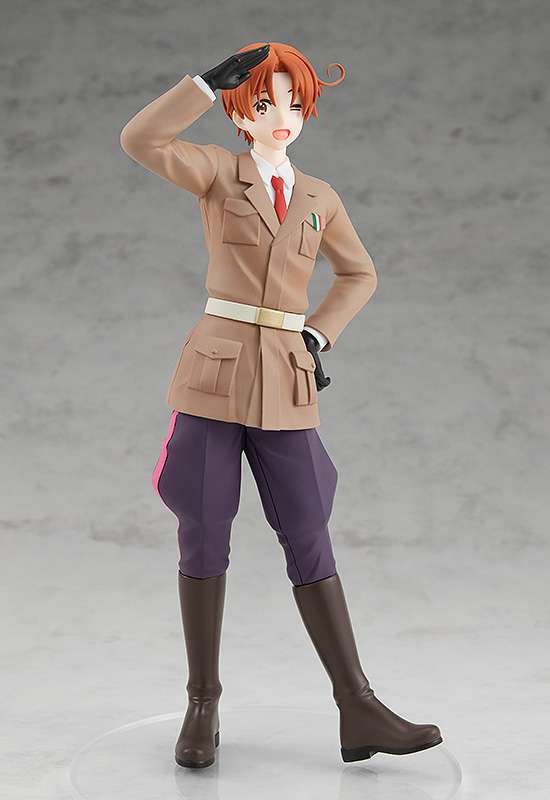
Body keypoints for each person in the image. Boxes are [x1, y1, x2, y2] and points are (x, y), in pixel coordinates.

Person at [120, 41, 442, 769]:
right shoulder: (216, 171)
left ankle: (357, 706)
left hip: (286, 377)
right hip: (215, 372)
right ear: (242, 112)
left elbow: (359, 274)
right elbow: (141, 140)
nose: (282, 117)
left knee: (308, 528)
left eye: (294, 103)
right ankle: (202, 704)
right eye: (265, 103)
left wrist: (319, 333)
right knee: (204, 528)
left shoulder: (319, 197)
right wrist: (203, 86)